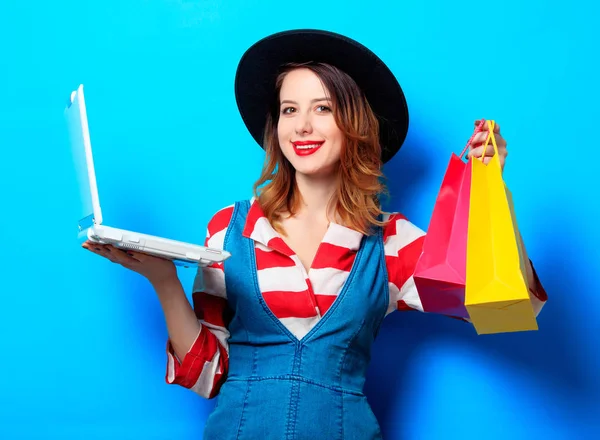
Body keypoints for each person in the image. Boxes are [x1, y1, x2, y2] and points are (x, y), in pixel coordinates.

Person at [83, 29, 548, 439]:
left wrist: (494, 190)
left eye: (322, 108)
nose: (302, 125)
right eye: (289, 109)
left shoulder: (390, 243)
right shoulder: (229, 229)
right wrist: (163, 279)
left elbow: (509, 305)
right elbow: (206, 375)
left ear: (355, 123)